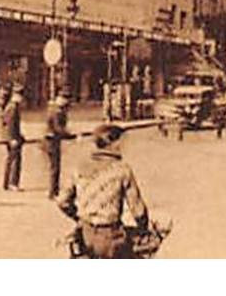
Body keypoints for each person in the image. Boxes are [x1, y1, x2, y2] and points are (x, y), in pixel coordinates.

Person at [57, 123, 149, 258]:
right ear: (113, 143)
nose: (124, 146)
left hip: (85, 234)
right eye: (122, 142)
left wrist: (78, 217)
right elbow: (138, 209)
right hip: (111, 236)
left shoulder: (79, 167)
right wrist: (143, 229)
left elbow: (62, 201)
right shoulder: (121, 169)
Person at [44, 94, 70, 198]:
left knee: (54, 167)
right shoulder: (57, 112)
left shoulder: (52, 110)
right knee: (55, 167)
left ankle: (54, 190)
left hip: (51, 140)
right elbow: (58, 128)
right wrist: (70, 135)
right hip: (52, 141)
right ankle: (53, 192)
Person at [2, 86, 25, 190]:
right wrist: (12, 138)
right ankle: (12, 183)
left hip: (12, 137)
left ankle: (7, 183)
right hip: (12, 138)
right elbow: (10, 124)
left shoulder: (11, 106)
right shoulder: (13, 107)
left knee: (10, 160)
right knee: (15, 160)